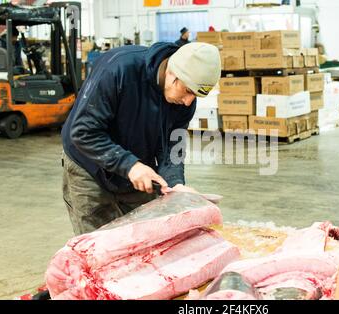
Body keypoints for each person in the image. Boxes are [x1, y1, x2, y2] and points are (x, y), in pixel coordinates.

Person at [61, 42, 221, 235]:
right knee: (100, 245)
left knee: (147, 238)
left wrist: (175, 183)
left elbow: (172, 146)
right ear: (171, 73)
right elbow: (83, 132)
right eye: (187, 91)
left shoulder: (185, 101)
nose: (189, 102)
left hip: (135, 166)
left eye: (195, 96)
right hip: (89, 165)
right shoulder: (119, 69)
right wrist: (130, 166)